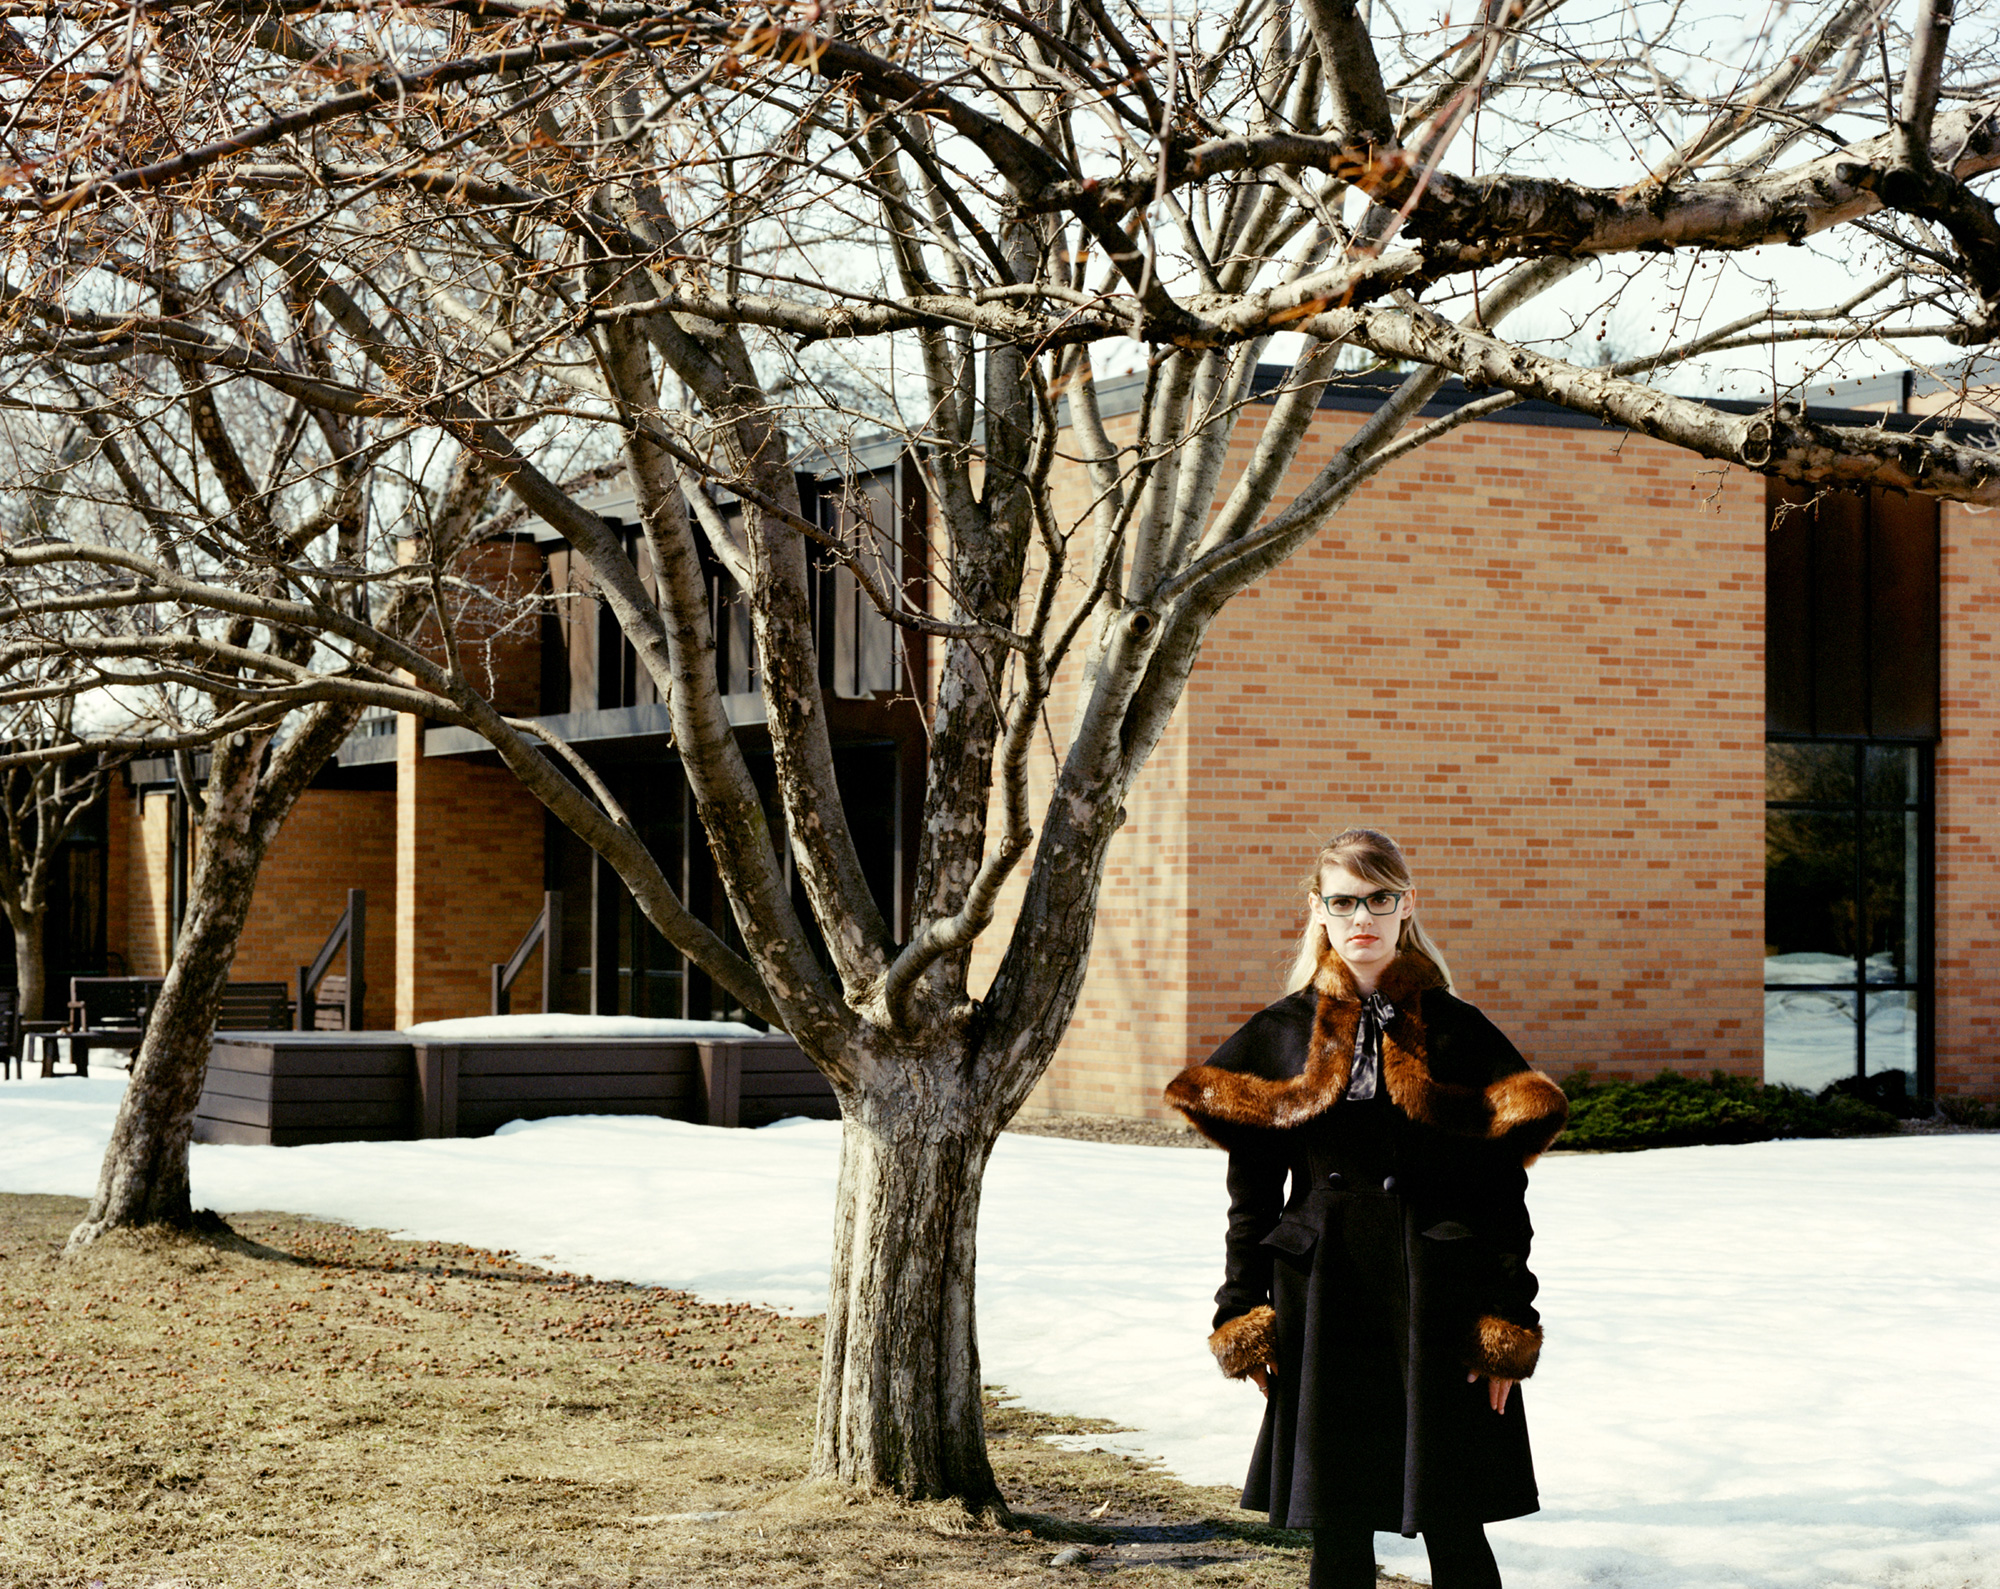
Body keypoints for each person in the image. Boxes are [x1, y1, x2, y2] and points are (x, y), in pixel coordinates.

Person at [1164, 828, 1568, 1589]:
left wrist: (1505, 1323)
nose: (1362, 918)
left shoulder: (1459, 1031)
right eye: (1344, 900)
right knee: (1338, 1527)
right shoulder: (1282, 1033)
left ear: (1407, 905)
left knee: (1454, 1520)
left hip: (1437, 1296)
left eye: (1378, 898)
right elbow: (1251, 1197)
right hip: (1325, 1298)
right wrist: (1242, 1314)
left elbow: (1501, 1192)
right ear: (1318, 909)